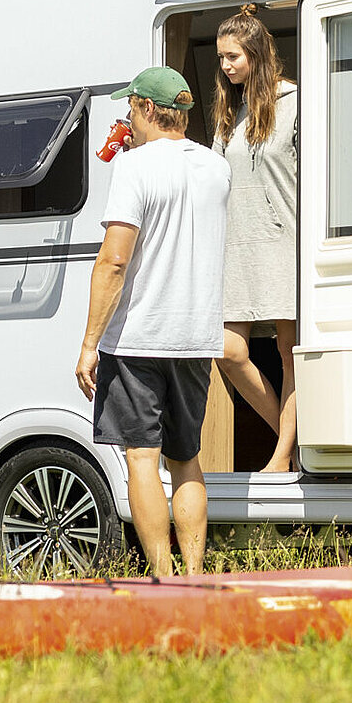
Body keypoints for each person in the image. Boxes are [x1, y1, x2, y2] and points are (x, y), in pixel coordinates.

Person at [75, 65, 230, 576]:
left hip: (139, 336)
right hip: (194, 336)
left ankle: (162, 576)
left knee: (142, 458)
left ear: (146, 109)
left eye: (130, 108)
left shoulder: (134, 167)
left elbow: (115, 260)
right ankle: (195, 575)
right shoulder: (216, 168)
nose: (127, 118)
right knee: (186, 458)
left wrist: (90, 342)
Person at [211, 5, 299, 471]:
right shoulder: (232, 111)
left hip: (284, 241)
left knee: (291, 353)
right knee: (229, 350)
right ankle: (289, 439)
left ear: (257, 53)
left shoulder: (296, 102)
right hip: (237, 247)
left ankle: (283, 454)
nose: (225, 66)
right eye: (221, 58)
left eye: (233, 56)